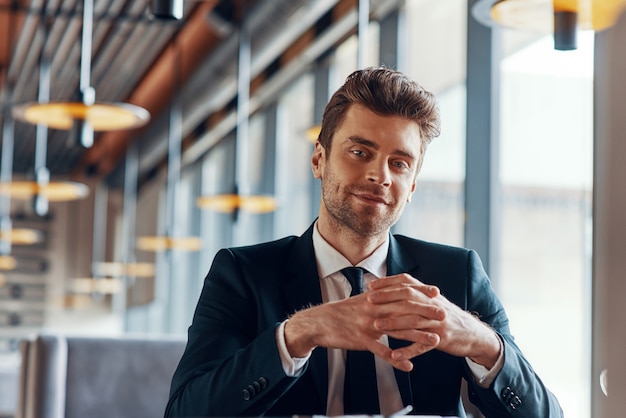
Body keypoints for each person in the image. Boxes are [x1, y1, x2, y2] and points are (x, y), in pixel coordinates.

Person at [165, 67, 563, 417]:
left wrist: (483, 343)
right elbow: (186, 411)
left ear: (411, 187)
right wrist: (299, 332)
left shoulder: (456, 274)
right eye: (360, 152)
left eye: (400, 163)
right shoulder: (244, 273)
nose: (381, 175)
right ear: (319, 159)